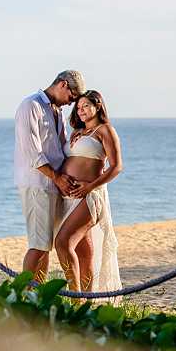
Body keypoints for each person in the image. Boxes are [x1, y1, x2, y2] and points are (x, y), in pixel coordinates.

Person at [14, 69, 85, 283]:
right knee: (38, 245)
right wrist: (58, 178)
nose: (71, 103)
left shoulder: (57, 112)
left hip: (53, 184)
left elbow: (60, 149)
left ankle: (38, 293)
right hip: (37, 184)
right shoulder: (31, 106)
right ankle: (24, 294)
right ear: (63, 84)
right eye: (71, 97)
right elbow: (32, 152)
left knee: (45, 246)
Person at [54, 90, 123, 302]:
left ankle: (76, 299)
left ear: (98, 106)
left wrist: (89, 187)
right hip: (69, 198)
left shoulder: (105, 130)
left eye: (86, 106)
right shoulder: (77, 131)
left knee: (63, 243)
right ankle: (87, 302)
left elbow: (116, 167)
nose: (81, 110)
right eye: (79, 106)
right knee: (84, 255)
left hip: (89, 196)